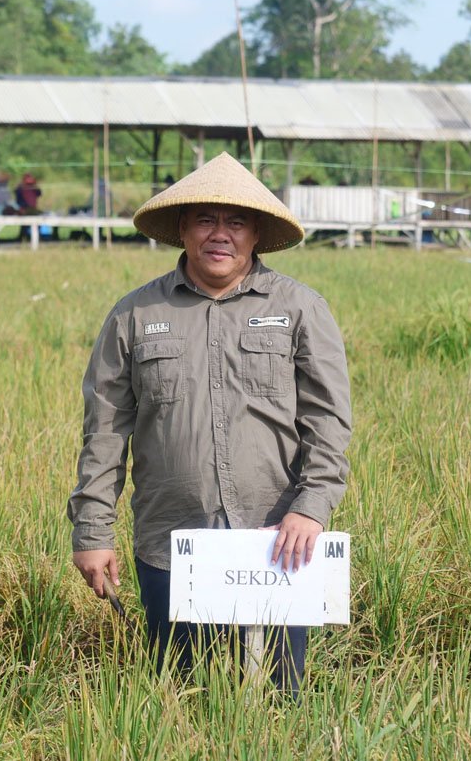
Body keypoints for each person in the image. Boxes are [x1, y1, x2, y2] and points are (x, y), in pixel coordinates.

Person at [68, 152, 352, 694]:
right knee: (180, 701)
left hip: (277, 543)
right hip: (172, 542)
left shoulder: (300, 309)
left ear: (256, 234)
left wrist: (311, 509)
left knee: (278, 701)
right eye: (205, 220)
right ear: (182, 229)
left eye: (236, 222)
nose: (219, 235)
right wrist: (92, 531)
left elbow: (329, 422)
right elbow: (104, 433)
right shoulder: (135, 315)